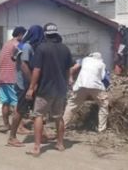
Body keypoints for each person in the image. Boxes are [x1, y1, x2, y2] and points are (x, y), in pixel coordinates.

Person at [26, 23, 74, 157]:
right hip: (60, 89)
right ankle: (60, 143)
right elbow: (69, 68)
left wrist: (31, 87)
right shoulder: (65, 49)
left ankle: (36, 147)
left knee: (38, 115)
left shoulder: (42, 48)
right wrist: (68, 81)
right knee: (58, 117)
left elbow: (37, 69)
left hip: (45, 89)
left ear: (45, 34)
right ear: (57, 34)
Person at [7, 25, 44, 147]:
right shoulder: (27, 46)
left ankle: (42, 133)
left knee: (36, 109)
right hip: (24, 84)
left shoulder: (22, 45)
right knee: (20, 110)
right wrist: (32, 84)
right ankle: (12, 137)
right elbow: (23, 65)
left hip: (25, 83)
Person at [63, 52, 109, 132]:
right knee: (103, 105)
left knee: (71, 105)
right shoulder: (102, 64)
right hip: (96, 86)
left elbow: (72, 69)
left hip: (80, 85)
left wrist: (70, 79)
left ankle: (62, 126)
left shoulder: (84, 60)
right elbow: (104, 79)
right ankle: (101, 129)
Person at [0, 26, 26, 133]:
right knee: (17, 103)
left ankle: (6, 125)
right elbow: (22, 61)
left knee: (5, 102)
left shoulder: (5, 45)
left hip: (2, 78)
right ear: (20, 35)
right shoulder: (18, 45)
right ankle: (20, 127)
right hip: (12, 78)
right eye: (24, 35)